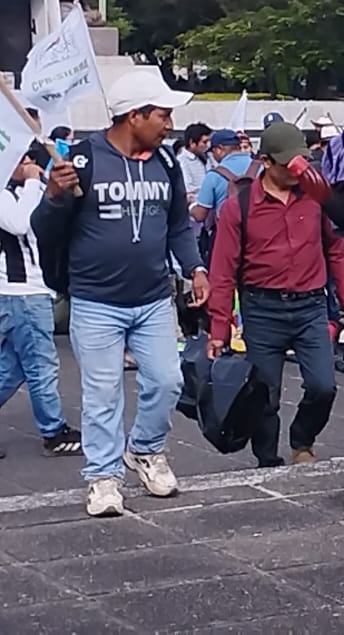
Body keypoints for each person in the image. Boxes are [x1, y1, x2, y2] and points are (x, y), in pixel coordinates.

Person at [33, 69, 207, 517]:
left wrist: (196, 267)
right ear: (134, 115)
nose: (169, 124)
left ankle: (145, 450)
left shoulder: (165, 162)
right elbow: (43, 228)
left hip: (152, 299)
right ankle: (103, 477)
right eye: (162, 115)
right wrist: (55, 195)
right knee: (103, 392)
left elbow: (177, 227)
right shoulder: (84, 161)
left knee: (168, 380)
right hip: (94, 301)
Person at [204, 123, 344, 467]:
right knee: (264, 393)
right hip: (261, 308)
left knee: (323, 386)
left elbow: (336, 249)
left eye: (300, 161)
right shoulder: (238, 207)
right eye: (287, 163)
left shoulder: (316, 197)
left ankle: (303, 439)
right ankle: (267, 458)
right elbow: (223, 271)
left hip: (310, 306)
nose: (295, 169)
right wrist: (219, 329)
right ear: (265, 161)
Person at [0, 146, 81, 459]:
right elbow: (22, 224)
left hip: (28, 292)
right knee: (40, 366)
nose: (31, 164)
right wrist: (35, 183)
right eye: (25, 160)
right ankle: (53, 432)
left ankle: (53, 428)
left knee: (12, 368)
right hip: (22, 292)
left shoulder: (18, 191)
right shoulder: (8, 194)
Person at [190, 129, 254, 226]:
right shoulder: (261, 168)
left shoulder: (213, 175)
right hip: (258, 233)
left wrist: (191, 204)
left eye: (212, 151)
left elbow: (200, 215)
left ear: (219, 149)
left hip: (227, 233)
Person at [177, 123, 212, 203]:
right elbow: (188, 188)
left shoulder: (207, 157)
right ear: (192, 142)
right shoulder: (182, 161)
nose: (207, 146)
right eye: (204, 142)